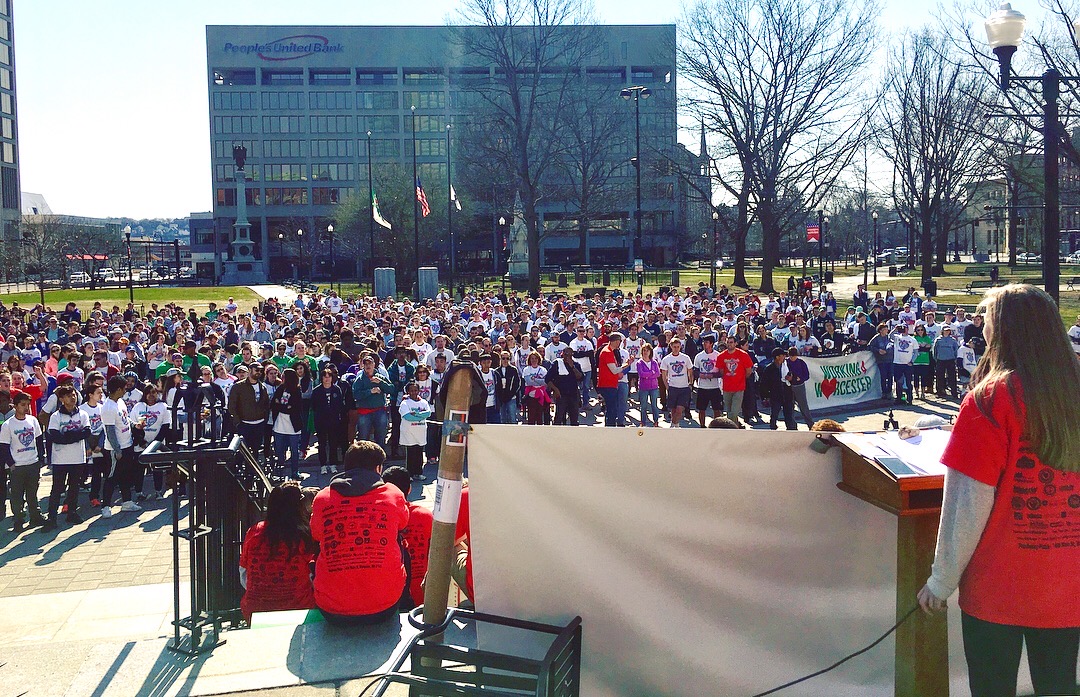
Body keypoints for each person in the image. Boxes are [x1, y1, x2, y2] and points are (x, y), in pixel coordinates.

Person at [917, 284, 1080, 697]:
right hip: (1069, 585)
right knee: (1059, 687)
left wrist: (940, 580)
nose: (983, 333)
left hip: (998, 588)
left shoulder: (990, 401)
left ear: (1005, 332)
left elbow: (965, 507)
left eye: (987, 323)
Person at [310, 441, 410, 625]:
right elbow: (403, 523)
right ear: (378, 468)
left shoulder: (323, 498)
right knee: (402, 544)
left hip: (332, 609)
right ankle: (406, 604)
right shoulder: (393, 493)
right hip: (385, 606)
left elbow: (316, 534)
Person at [239, 482, 317, 623]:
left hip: (254, 612)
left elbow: (244, 574)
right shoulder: (305, 536)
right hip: (300, 609)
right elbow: (314, 577)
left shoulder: (254, 532)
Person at [382, 465, 432, 610]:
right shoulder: (425, 516)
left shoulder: (379, 518)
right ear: (409, 489)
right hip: (422, 595)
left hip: (390, 597)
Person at [42, 385, 91, 531]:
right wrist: (75, 436)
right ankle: (51, 518)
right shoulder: (56, 417)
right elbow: (55, 437)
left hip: (77, 458)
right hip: (60, 459)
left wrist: (69, 436)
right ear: (62, 399)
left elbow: (86, 432)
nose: (73, 397)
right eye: (69, 396)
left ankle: (72, 512)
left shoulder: (83, 414)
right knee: (57, 489)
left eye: (74, 395)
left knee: (74, 487)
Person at [1, 392, 45, 533]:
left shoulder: (33, 420)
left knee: (32, 492)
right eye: (22, 405)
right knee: (17, 495)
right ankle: (18, 519)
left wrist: (40, 458)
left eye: (27, 405)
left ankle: (35, 516)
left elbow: (39, 440)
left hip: (32, 462)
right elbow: (4, 447)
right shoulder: (8, 425)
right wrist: (11, 464)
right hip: (17, 466)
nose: (26, 408)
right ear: (15, 406)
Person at [228, 363, 271, 456]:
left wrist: (265, 419)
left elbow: (267, 405)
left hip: (259, 424)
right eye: (256, 370)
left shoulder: (262, 387)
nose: (258, 372)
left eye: (260, 370)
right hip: (244, 424)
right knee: (243, 452)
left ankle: (252, 470)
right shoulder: (238, 387)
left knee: (256, 450)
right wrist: (238, 422)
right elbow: (232, 406)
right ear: (250, 370)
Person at [311, 367, 347, 475]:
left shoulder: (336, 389)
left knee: (333, 443)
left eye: (329, 377)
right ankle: (323, 465)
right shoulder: (316, 391)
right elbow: (313, 406)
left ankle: (333, 464)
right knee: (321, 444)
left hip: (334, 421)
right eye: (325, 377)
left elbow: (340, 405)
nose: (327, 379)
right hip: (321, 421)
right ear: (321, 378)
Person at [270, 368, 304, 479]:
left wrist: (281, 406)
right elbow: (273, 404)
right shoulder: (280, 388)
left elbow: (294, 408)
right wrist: (284, 407)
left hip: (293, 426)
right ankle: (280, 471)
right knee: (279, 450)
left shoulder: (297, 390)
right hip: (279, 426)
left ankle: (295, 472)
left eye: (283, 376)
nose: (281, 378)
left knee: (294, 450)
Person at [716, 336, 754, 426]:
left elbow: (749, 370)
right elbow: (721, 371)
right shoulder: (721, 356)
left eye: (732, 342)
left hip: (739, 387)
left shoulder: (743, 354)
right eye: (728, 342)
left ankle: (731, 429)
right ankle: (736, 427)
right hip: (727, 388)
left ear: (736, 343)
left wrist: (741, 378)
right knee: (729, 411)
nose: (730, 344)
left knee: (734, 412)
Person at [398, 382, 432, 481]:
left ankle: (418, 473)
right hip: (409, 433)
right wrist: (420, 415)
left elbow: (428, 413)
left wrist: (416, 414)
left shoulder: (424, 402)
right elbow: (407, 417)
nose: (414, 392)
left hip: (420, 432)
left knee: (419, 453)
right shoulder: (405, 403)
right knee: (411, 454)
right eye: (411, 390)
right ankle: (409, 474)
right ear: (408, 392)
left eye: (415, 390)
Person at [596, 333, 630, 427]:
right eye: (619, 341)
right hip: (607, 385)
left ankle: (610, 428)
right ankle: (610, 429)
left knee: (611, 409)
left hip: (611, 384)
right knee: (611, 410)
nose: (620, 343)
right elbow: (614, 370)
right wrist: (626, 364)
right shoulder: (607, 352)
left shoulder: (610, 351)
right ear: (616, 341)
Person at [660, 338, 693, 427]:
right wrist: (667, 386)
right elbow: (664, 375)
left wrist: (691, 383)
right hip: (673, 387)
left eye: (678, 347)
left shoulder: (685, 358)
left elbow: (690, 371)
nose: (676, 348)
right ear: (671, 346)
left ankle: (672, 425)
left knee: (679, 410)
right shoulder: (666, 359)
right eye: (674, 347)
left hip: (684, 388)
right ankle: (676, 425)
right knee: (673, 410)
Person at [760, 348, 796, 430]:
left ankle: (791, 429)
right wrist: (765, 397)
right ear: (777, 357)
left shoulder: (787, 365)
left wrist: (791, 378)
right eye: (783, 355)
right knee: (774, 414)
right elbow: (764, 384)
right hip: (775, 395)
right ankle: (773, 429)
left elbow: (794, 377)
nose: (784, 357)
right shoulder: (769, 369)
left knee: (789, 414)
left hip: (787, 394)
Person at [547, 347, 584, 426]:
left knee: (574, 418)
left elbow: (580, 377)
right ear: (562, 354)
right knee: (559, 417)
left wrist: (572, 367)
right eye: (566, 354)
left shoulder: (576, 364)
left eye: (570, 354)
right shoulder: (557, 363)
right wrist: (555, 389)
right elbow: (547, 379)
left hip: (573, 394)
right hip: (561, 394)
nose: (568, 356)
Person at [693, 335, 723, 428]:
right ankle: (702, 426)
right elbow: (695, 370)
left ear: (711, 344)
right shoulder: (699, 356)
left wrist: (713, 375)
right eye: (703, 342)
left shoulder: (718, 355)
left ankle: (716, 426)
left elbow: (721, 372)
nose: (704, 344)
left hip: (715, 386)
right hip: (703, 387)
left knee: (716, 409)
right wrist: (699, 375)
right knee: (701, 409)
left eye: (706, 342)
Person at [783, 347, 814, 429]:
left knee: (804, 407)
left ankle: (811, 425)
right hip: (789, 386)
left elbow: (806, 375)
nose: (792, 358)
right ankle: (792, 426)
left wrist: (801, 378)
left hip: (799, 386)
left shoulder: (801, 362)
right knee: (790, 407)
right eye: (791, 356)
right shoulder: (785, 363)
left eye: (794, 356)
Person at [635, 343, 661, 427]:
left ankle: (656, 421)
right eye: (644, 350)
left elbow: (657, 374)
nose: (646, 352)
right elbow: (641, 374)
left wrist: (648, 375)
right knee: (643, 406)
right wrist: (651, 373)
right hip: (643, 387)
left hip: (654, 387)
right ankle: (643, 422)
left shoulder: (654, 362)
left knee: (654, 405)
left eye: (647, 350)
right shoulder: (639, 362)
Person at [932, 326, 960, 398]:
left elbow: (956, 350)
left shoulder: (953, 340)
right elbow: (935, 350)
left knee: (952, 377)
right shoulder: (938, 340)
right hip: (940, 360)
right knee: (939, 377)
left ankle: (954, 392)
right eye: (945, 330)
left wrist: (955, 359)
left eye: (948, 330)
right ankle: (940, 392)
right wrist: (936, 359)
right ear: (942, 331)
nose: (947, 332)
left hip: (950, 360)